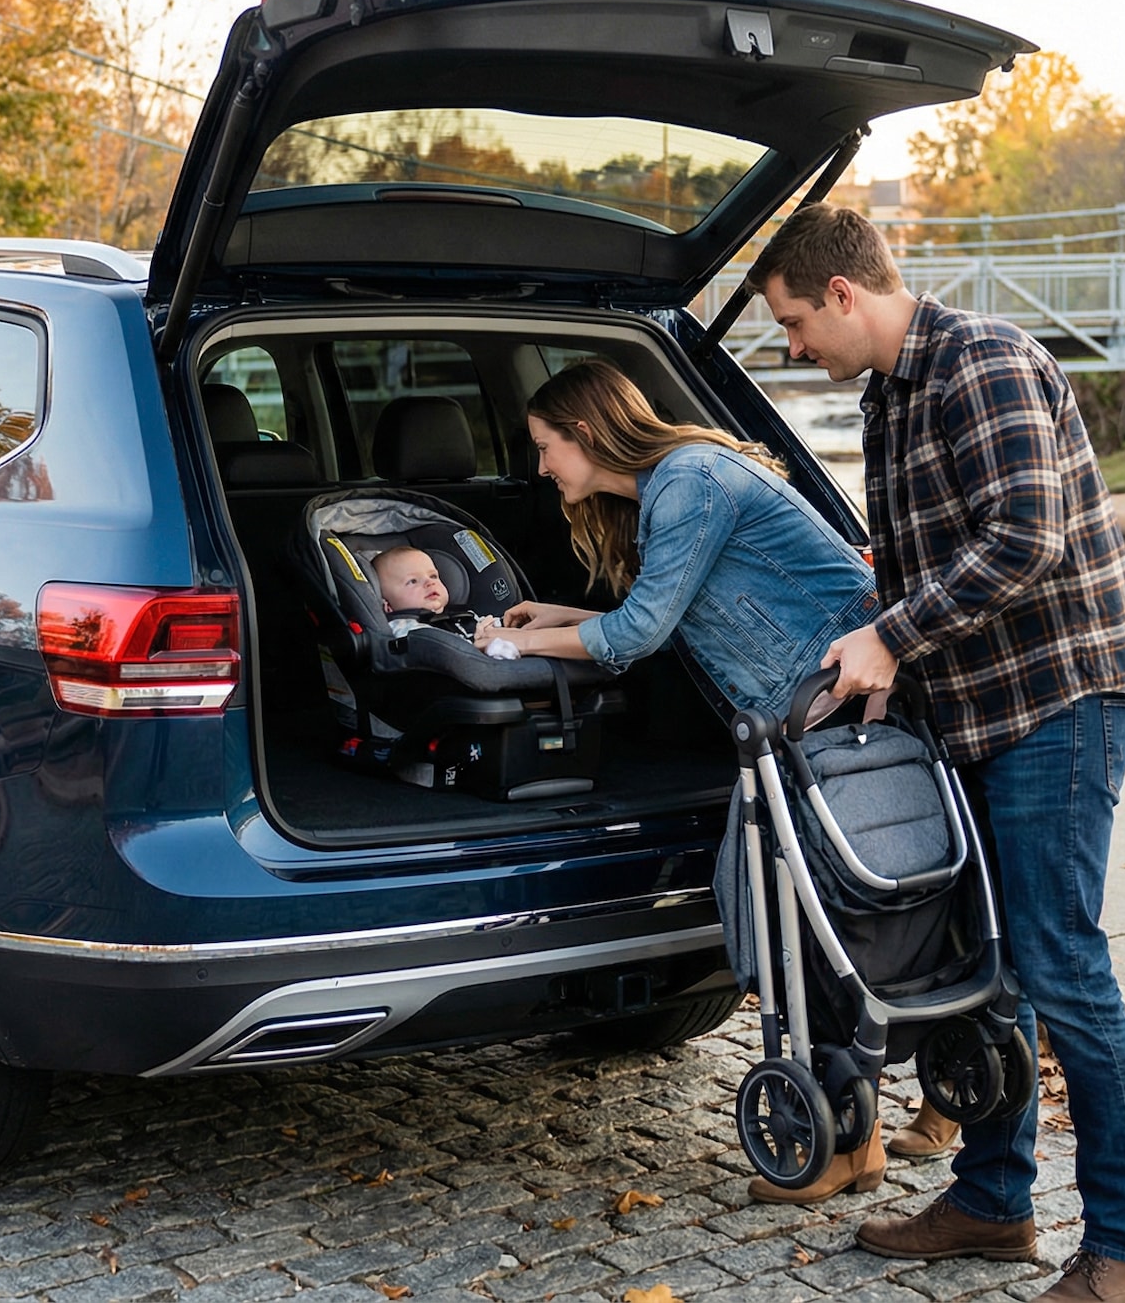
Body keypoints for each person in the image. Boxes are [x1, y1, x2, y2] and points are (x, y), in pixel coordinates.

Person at [746, 203, 1125, 1303]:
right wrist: (887, 662)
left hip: (1061, 697)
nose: (791, 346)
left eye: (794, 321)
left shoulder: (982, 361)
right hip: (975, 707)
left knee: (1061, 965)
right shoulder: (888, 395)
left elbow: (1026, 538)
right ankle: (992, 1203)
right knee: (990, 966)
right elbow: (919, 558)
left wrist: (891, 636)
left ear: (843, 293)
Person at [475, 359, 901, 1203]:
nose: (541, 466)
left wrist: (510, 644)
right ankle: (868, 1131)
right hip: (812, 708)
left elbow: (638, 634)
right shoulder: (679, 481)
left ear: (585, 434)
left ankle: (850, 1136)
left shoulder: (687, 482)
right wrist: (562, 616)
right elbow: (669, 618)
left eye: (545, 446)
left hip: (829, 704)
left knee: (783, 910)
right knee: (800, 910)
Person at [373, 545, 515, 656]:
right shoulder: (403, 628)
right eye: (413, 581)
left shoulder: (462, 615)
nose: (430, 583)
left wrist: (507, 623)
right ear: (388, 606)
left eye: (433, 576)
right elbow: (435, 647)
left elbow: (485, 626)